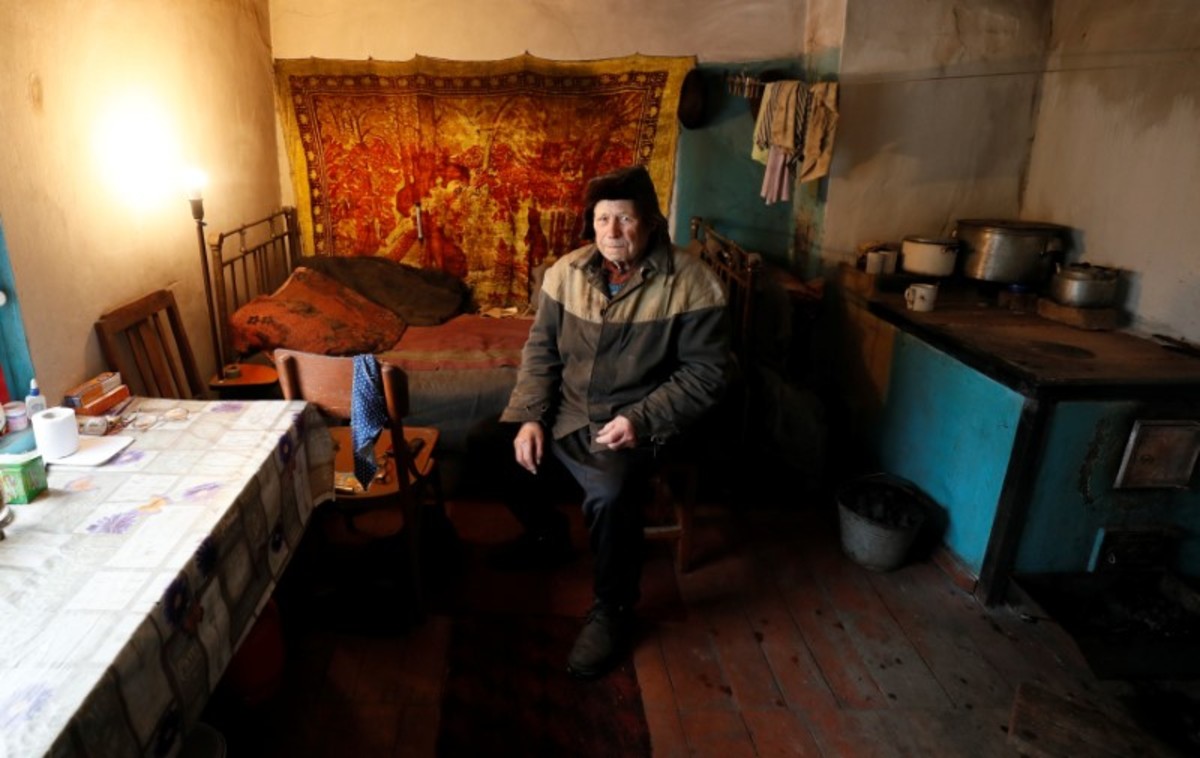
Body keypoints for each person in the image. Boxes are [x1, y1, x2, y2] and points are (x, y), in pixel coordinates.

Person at [494, 164, 732, 678]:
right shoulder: (566, 273)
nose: (612, 231)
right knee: (489, 445)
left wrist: (640, 420)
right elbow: (540, 352)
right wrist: (530, 417)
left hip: (637, 425)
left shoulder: (693, 283)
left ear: (650, 222)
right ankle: (547, 536)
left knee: (609, 492)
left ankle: (614, 608)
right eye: (602, 219)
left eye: (625, 219)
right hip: (569, 413)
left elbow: (707, 375)